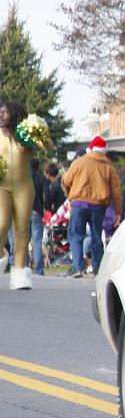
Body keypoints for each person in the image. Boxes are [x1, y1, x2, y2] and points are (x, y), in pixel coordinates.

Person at [62, 136, 122, 278]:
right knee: (96, 236)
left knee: (76, 236)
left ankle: (77, 268)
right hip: (98, 206)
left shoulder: (79, 162)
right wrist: (118, 211)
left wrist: (70, 194)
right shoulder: (108, 167)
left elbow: (65, 180)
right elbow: (116, 191)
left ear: (90, 149)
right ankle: (97, 269)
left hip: (78, 204)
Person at [0, 102, 36, 290]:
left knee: (22, 230)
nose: (1, 115)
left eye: (4, 112)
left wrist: (39, 135)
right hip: (1, 186)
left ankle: (20, 274)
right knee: (1, 224)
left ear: (13, 114)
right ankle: (1, 258)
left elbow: (48, 146)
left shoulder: (24, 135)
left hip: (24, 187)